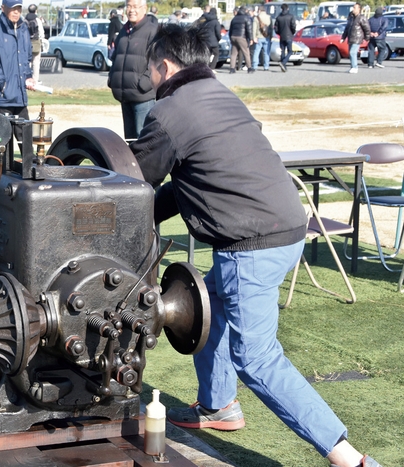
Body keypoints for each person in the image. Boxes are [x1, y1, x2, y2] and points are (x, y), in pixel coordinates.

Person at [130, 23, 384, 467]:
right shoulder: (223, 97)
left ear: (164, 66)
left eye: (150, 71)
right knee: (207, 305)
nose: (149, 80)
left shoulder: (169, 112)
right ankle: (218, 406)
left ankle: (349, 458)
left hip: (251, 245)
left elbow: (133, 181)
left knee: (258, 360)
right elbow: (195, 180)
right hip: (288, 228)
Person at [0, 0, 35, 141]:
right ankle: (3, 164)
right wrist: (3, 85)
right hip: (1, 99)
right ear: (3, 8)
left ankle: (28, 164)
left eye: (19, 8)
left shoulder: (24, 29)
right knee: (3, 146)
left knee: (26, 143)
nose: (16, 12)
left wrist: (28, 77)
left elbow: (26, 58)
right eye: (13, 8)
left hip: (20, 99)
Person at [107, 0, 157, 140]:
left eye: (135, 7)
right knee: (129, 142)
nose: (131, 10)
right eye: (128, 6)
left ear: (144, 8)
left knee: (143, 141)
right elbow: (116, 57)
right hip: (125, 95)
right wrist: (112, 79)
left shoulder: (152, 31)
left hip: (143, 97)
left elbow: (157, 62)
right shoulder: (124, 31)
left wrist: (144, 84)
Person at [341, 3, 370, 74]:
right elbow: (347, 28)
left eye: (355, 8)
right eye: (353, 7)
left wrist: (367, 38)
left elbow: (367, 28)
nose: (353, 9)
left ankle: (355, 67)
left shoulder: (361, 18)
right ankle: (352, 67)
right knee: (350, 53)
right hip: (351, 38)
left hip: (357, 38)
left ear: (359, 9)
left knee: (352, 52)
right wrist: (343, 37)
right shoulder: (351, 18)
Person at [228, 6, 253, 73]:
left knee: (233, 54)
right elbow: (249, 30)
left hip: (233, 37)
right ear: (244, 11)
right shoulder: (246, 18)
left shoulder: (234, 19)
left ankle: (232, 69)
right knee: (246, 52)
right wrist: (250, 39)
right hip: (241, 37)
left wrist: (230, 38)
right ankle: (249, 68)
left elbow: (230, 30)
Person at [24, 4, 43, 84]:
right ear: (36, 10)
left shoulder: (24, 20)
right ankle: (35, 79)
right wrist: (41, 39)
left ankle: (27, 78)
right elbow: (41, 32)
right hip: (36, 42)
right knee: (36, 62)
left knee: (27, 61)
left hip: (26, 42)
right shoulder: (37, 20)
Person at [274, 3, 296, 72]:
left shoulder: (278, 17)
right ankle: (283, 63)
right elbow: (293, 26)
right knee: (290, 51)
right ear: (287, 8)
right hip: (289, 36)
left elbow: (276, 28)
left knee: (282, 51)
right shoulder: (291, 16)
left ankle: (284, 66)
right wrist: (292, 32)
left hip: (282, 36)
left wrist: (279, 33)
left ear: (281, 9)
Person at [251, 6, 271, 71]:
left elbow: (254, 29)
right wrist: (271, 36)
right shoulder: (269, 17)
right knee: (266, 52)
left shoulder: (256, 18)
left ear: (259, 11)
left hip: (258, 37)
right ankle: (266, 66)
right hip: (267, 37)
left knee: (256, 52)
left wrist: (254, 37)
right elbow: (271, 28)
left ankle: (254, 66)